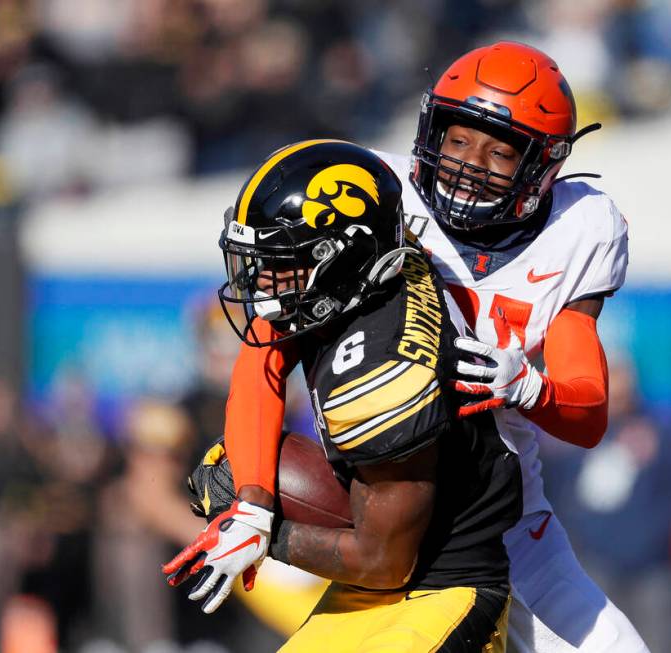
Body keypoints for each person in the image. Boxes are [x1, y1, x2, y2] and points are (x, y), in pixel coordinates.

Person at [215, 42, 648, 652]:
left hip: (505, 521)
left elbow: (588, 412)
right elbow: (264, 348)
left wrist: (529, 387)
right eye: (459, 139)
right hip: (381, 493)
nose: (472, 164)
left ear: (543, 166)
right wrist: (256, 502)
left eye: (501, 151)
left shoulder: (580, 229)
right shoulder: (369, 192)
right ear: (429, 130)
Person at [162, 140, 522, 652]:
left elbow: (385, 562)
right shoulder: (370, 270)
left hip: (436, 589)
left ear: (341, 257)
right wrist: (253, 502)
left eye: (280, 261)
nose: (262, 282)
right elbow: (261, 355)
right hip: (372, 586)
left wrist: (269, 536)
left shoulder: (383, 376)